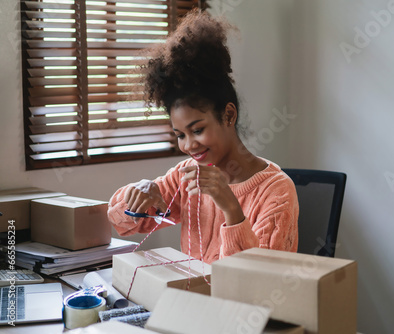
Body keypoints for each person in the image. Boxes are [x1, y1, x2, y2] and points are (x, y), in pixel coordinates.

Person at [107, 11, 298, 264]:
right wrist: (140, 193)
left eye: (197, 130)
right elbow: (121, 222)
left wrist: (231, 209)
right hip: (194, 300)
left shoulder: (277, 191)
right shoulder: (188, 175)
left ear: (228, 115)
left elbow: (259, 281)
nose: (189, 146)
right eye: (180, 135)